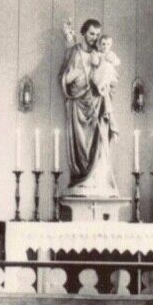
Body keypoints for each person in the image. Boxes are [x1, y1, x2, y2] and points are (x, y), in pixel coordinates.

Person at [59, 18, 118, 195]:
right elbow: (63, 77)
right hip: (78, 105)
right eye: (92, 33)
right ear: (84, 32)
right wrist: (72, 76)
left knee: (97, 143)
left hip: (96, 105)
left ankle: (95, 179)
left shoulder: (100, 54)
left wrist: (107, 84)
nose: (94, 37)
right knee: (81, 145)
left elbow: (112, 77)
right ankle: (82, 178)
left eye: (98, 35)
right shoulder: (74, 52)